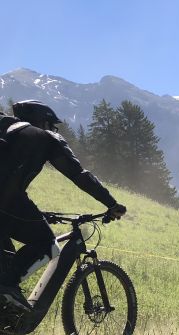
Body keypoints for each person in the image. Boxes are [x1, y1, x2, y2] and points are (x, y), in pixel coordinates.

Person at [0, 100, 127, 311]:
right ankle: (7, 288)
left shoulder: (7, 132)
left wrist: (39, 215)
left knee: (6, 259)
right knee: (46, 242)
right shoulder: (46, 137)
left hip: (7, 205)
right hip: (7, 200)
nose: (53, 130)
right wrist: (111, 203)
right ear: (43, 122)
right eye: (52, 125)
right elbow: (79, 175)